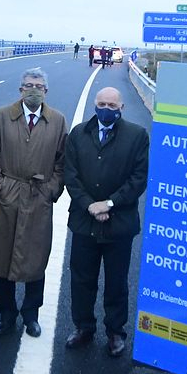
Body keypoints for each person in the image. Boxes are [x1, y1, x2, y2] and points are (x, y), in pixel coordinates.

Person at [0, 68, 67, 338]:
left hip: (38, 197)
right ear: (20, 89)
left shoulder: (58, 121)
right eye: (28, 85)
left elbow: (62, 162)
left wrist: (51, 190)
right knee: (1, 257)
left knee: (35, 259)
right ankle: (6, 314)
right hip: (6, 196)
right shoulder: (2, 116)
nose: (33, 90)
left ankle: (31, 314)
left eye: (38, 86)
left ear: (46, 91)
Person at [62, 86, 149, 358]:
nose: (106, 109)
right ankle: (83, 327)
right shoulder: (78, 134)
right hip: (84, 221)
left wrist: (109, 203)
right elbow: (70, 175)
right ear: (94, 104)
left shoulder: (137, 136)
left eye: (112, 105)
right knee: (81, 278)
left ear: (121, 108)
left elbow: (138, 178)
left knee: (116, 281)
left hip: (118, 222)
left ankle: (115, 332)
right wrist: (89, 205)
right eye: (102, 104)